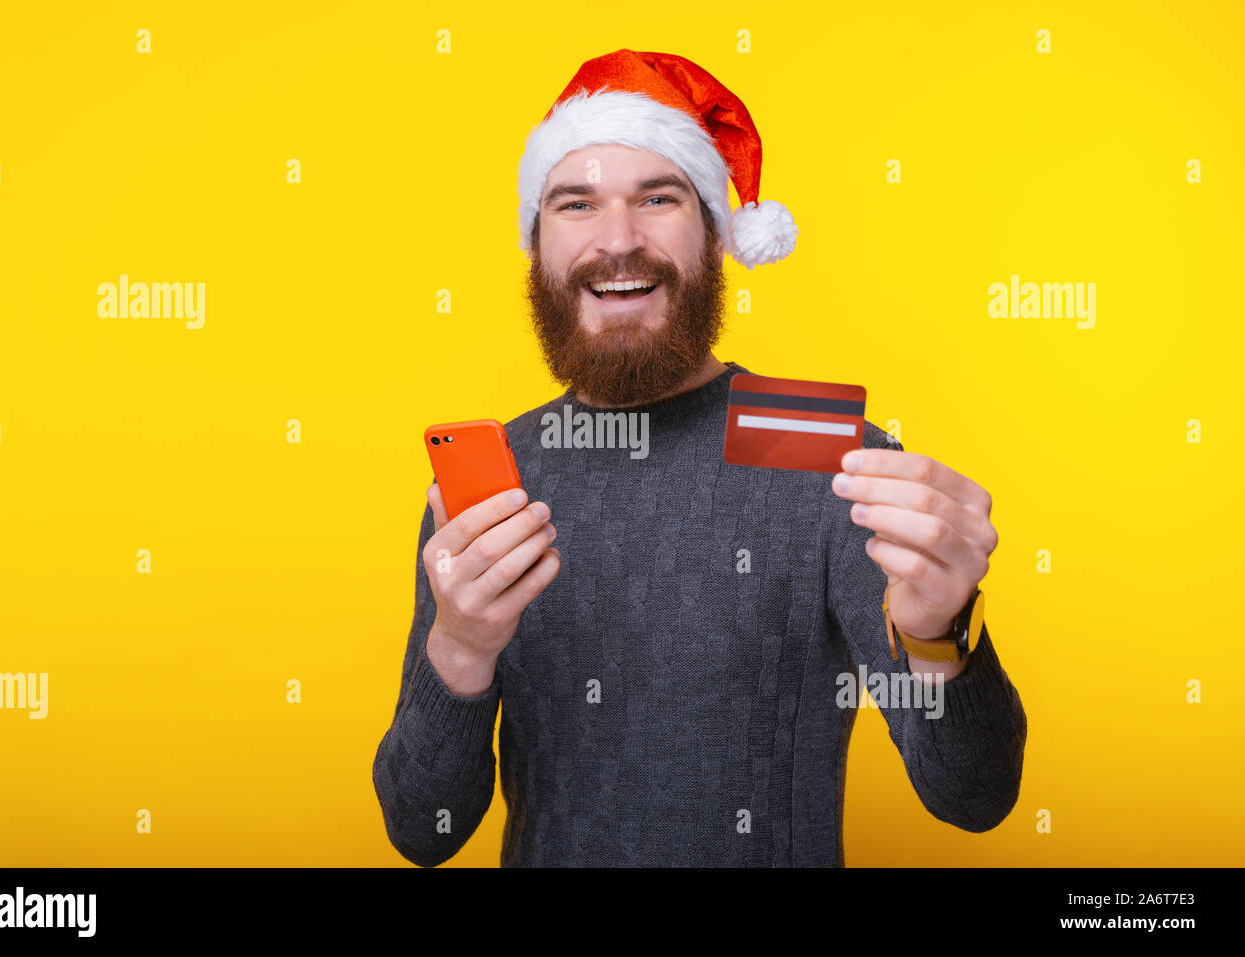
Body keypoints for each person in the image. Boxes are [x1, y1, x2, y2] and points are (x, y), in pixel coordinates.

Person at [372, 48, 1027, 867]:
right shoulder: (495, 479)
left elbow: (974, 795)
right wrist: (462, 647)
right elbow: (422, 828)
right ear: (537, 247)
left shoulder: (818, 445)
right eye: (577, 203)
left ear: (716, 233)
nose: (618, 240)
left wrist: (938, 635)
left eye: (659, 197)